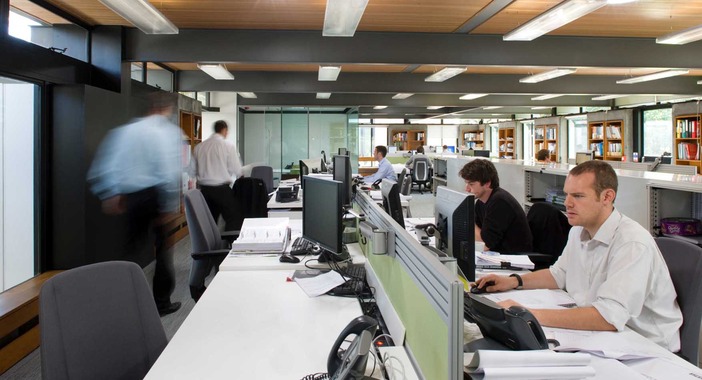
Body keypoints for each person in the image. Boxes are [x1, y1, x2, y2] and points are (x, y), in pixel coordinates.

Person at [475, 160, 682, 351]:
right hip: (604, 335)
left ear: (607, 197)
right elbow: (558, 274)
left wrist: (527, 314)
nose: (567, 203)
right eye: (567, 195)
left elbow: (608, 318)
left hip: (644, 346)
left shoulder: (631, 243)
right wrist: (512, 281)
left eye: (578, 196)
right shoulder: (578, 230)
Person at [87, 92, 183, 316]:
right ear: (167, 109)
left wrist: (110, 193)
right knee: (162, 252)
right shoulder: (167, 132)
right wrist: (169, 204)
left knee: (130, 250)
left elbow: (107, 165)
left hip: (131, 196)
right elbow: (169, 170)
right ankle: (161, 303)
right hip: (156, 194)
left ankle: (122, 303)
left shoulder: (125, 131)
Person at [459, 159, 532, 253]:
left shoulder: (500, 202)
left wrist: (466, 218)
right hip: (497, 253)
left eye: (471, 184)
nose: (467, 188)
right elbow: (477, 234)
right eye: (466, 183)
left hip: (512, 257)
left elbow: (484, 245)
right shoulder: (481, 202)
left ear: (487, 184)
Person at [188, 120, 243, 230]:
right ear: (224, 130)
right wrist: (241, 175)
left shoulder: (199, 147)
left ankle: (212, 246)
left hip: (204, 191)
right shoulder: (227, 146)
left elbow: (192, 171)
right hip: (222, 190)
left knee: (209, 223)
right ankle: (230, 244)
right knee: (234, 219)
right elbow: (236, 169)